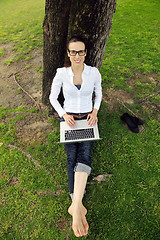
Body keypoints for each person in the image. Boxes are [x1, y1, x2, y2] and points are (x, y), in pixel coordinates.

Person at [49, 36, 102, 237]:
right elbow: (52, 97)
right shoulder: (61, 73)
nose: (77, 55)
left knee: (85, 155)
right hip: (69, 120)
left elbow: (99, 92)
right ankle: (77, 207)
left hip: (88, 119)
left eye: (81, 51)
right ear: (69, 53)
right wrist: (64, 114)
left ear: (86, 52)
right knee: (72, 158)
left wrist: (95, 111)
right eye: (73, 52)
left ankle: (75, 206)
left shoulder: (93, 72)